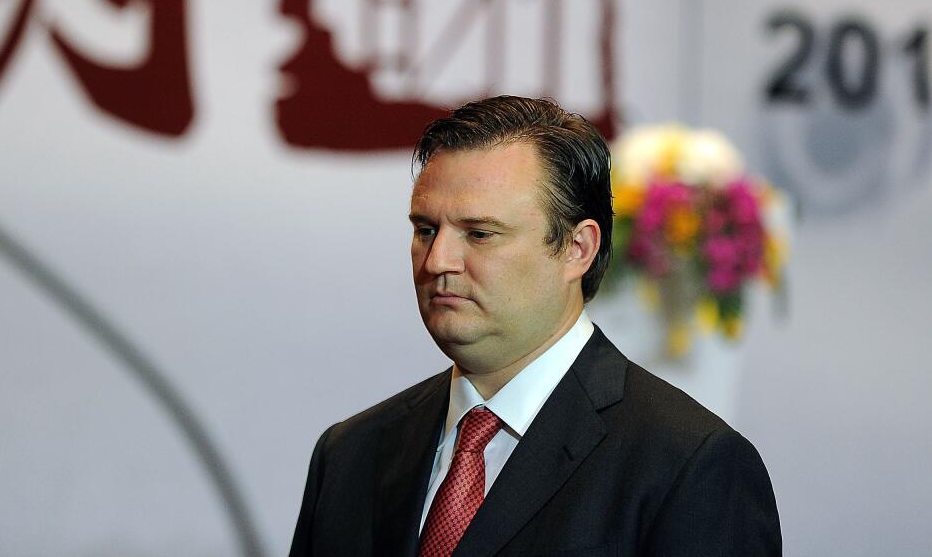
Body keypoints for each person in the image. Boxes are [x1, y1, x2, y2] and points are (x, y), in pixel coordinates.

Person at [289, 96, 781, 556]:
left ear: (577, 249)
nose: (438, 260)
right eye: (425, 230)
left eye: (480, 233)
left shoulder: (689, 467)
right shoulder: (349, 454)